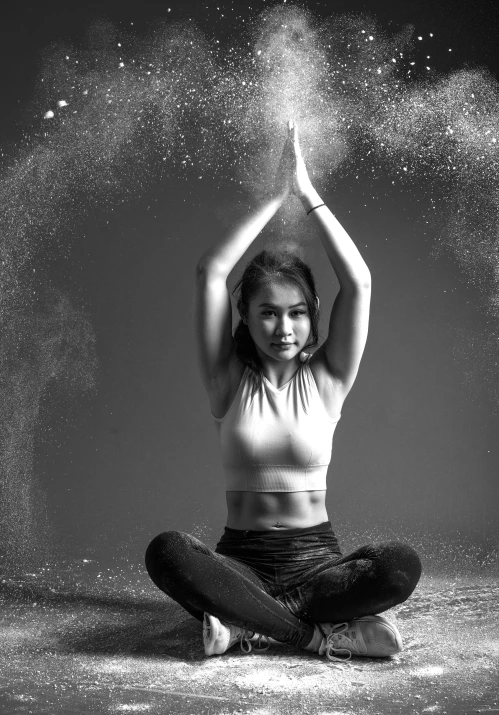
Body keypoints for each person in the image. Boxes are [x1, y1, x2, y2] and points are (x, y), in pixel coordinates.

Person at [145, 121, 421, 662]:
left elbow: (359, 281)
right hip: (238, 560)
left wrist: (306, 192)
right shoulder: (226, 379)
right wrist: (275, 196)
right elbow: (211, 271)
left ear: (312, 315)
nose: (285, 328)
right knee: (168, 552)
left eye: (297, 313)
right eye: (268, 313)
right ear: (245, 318)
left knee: (398, 564)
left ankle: (245, 621)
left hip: (316, 560)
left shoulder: (328, 378)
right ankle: (313, 635)